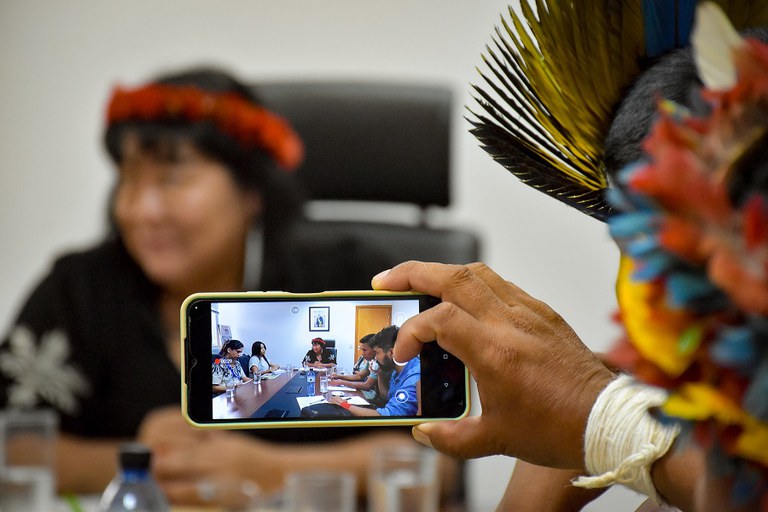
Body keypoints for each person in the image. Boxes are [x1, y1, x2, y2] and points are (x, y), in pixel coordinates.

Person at [0, 66, 457, 507]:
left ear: (250, 191)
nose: (141, 210)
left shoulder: (354, 276)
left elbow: (439, 461)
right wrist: (147, 463)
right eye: (128, 179)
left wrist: (266, 469)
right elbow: (13, 444)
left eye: (172, 178)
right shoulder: (79, 289)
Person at [330, 325, 420, 417]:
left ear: (391, 352)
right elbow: (386, 397)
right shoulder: (397, 369)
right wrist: (379, 374)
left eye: (377, 353)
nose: (375, 358)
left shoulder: (413, 377)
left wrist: (343, 405)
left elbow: (388, 416)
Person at [329, 333, 380, 402]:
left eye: (365, 350)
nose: (362, 353)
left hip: (375, 399)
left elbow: (367, 386)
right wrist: (339, 376)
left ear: (374, 349)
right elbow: (359, 376)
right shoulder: (371, 360)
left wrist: (341, 382)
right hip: (369, 394)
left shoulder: (378, 363)